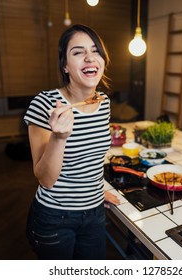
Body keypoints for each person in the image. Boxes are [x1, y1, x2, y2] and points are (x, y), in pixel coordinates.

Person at [23, 24, 120, 260]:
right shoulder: (45, 104)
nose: (89, 57)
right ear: (65, 66)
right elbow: (45, 178)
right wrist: (59, 137)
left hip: (95, 213)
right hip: (56, 217)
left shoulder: (103, 101)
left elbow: (91, 159)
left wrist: (95, 191)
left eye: (95, 51)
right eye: (78, 52)